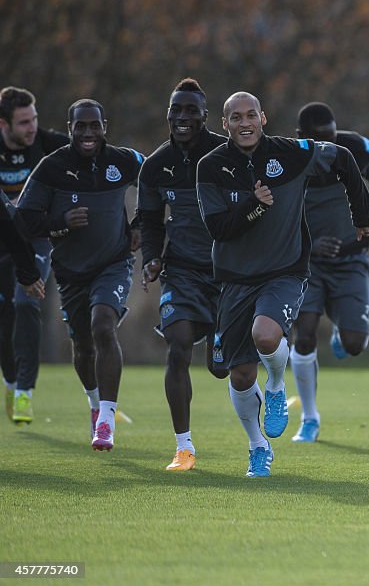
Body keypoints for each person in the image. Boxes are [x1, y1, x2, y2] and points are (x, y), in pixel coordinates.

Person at [196, 91, 369, 477]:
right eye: (235, 118)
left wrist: (363, 216)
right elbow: (218, 229)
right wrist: (253, 205)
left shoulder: (292, 153)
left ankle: (277, 384)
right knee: (240, 375)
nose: (244, 123)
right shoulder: (211, 166)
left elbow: (343, 158)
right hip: (234, 281)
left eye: (251, 115)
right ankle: (258, 447)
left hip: (285, 273)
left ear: (263, 117)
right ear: (224, 124)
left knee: (266, 337)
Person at [17, 99, 144, 450]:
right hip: (71, 271)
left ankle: (106, 419)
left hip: (114, 263)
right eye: (80, 126)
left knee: (103, 325)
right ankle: (93, 404)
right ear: (69, 127)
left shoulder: (124, 160)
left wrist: (141, 225)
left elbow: (157, 185)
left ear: (105, 125)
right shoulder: (51, 167)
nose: (88, 133)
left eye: (94, 125)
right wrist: (60, 222)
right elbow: (25, 219)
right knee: (83, 347)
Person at [288, 101, 369, 443]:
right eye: (321, 140)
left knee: (354, 345)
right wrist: (306, 245)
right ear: (301, 137)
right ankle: (309, 417)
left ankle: (341, 325)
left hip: (351, 259)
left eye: (333, 137)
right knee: (304, 332)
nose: (331, 146)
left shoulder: (356, 149)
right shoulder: (287, 159)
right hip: (307, 263)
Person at [137, 78, 228, 471]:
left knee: (221, 368)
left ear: (205, 116)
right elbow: (151, 221)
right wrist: (153, 258)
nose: (183, 117)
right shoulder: (156, 165)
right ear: (168, 114)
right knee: (177, 348)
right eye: (177, 110)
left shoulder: (224, 154)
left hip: (227, 273)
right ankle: (184, 447)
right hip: (182, 273)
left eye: (192, 110)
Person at [0, 86, 68, 424]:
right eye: (23, 122)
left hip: (37, 242)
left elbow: (89, 153)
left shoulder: (47, 144)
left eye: (34, 119)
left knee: (26, 302)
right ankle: (11, 381)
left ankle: (25, 390)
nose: (31, 127)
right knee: (4, 317)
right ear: (4, 125)